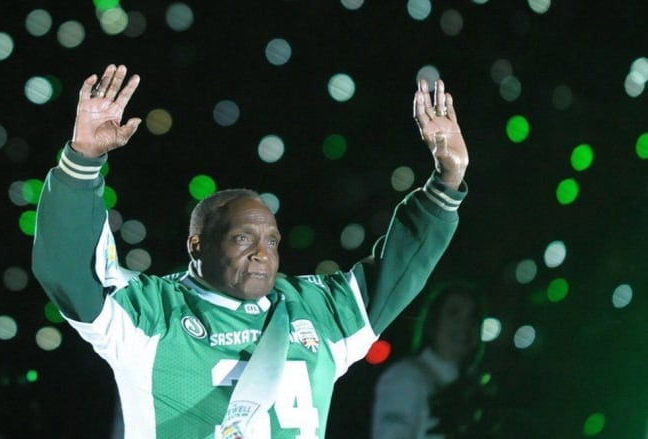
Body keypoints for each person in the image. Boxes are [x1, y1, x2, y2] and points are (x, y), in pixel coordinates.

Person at [32, 64, 469, 438]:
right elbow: (70, 271)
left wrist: (446, 180)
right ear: (197, 246)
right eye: (243, 238)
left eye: (272, 241)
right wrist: (82, 161)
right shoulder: (151, 313)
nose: (263, 253)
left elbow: (398, 268)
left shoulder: (317, 311)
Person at [370, 281, 500, 439]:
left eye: (473, 316)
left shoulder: (477, 389)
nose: (464, 324)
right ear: (433, 322)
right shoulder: (405, 377)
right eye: (454, 313)